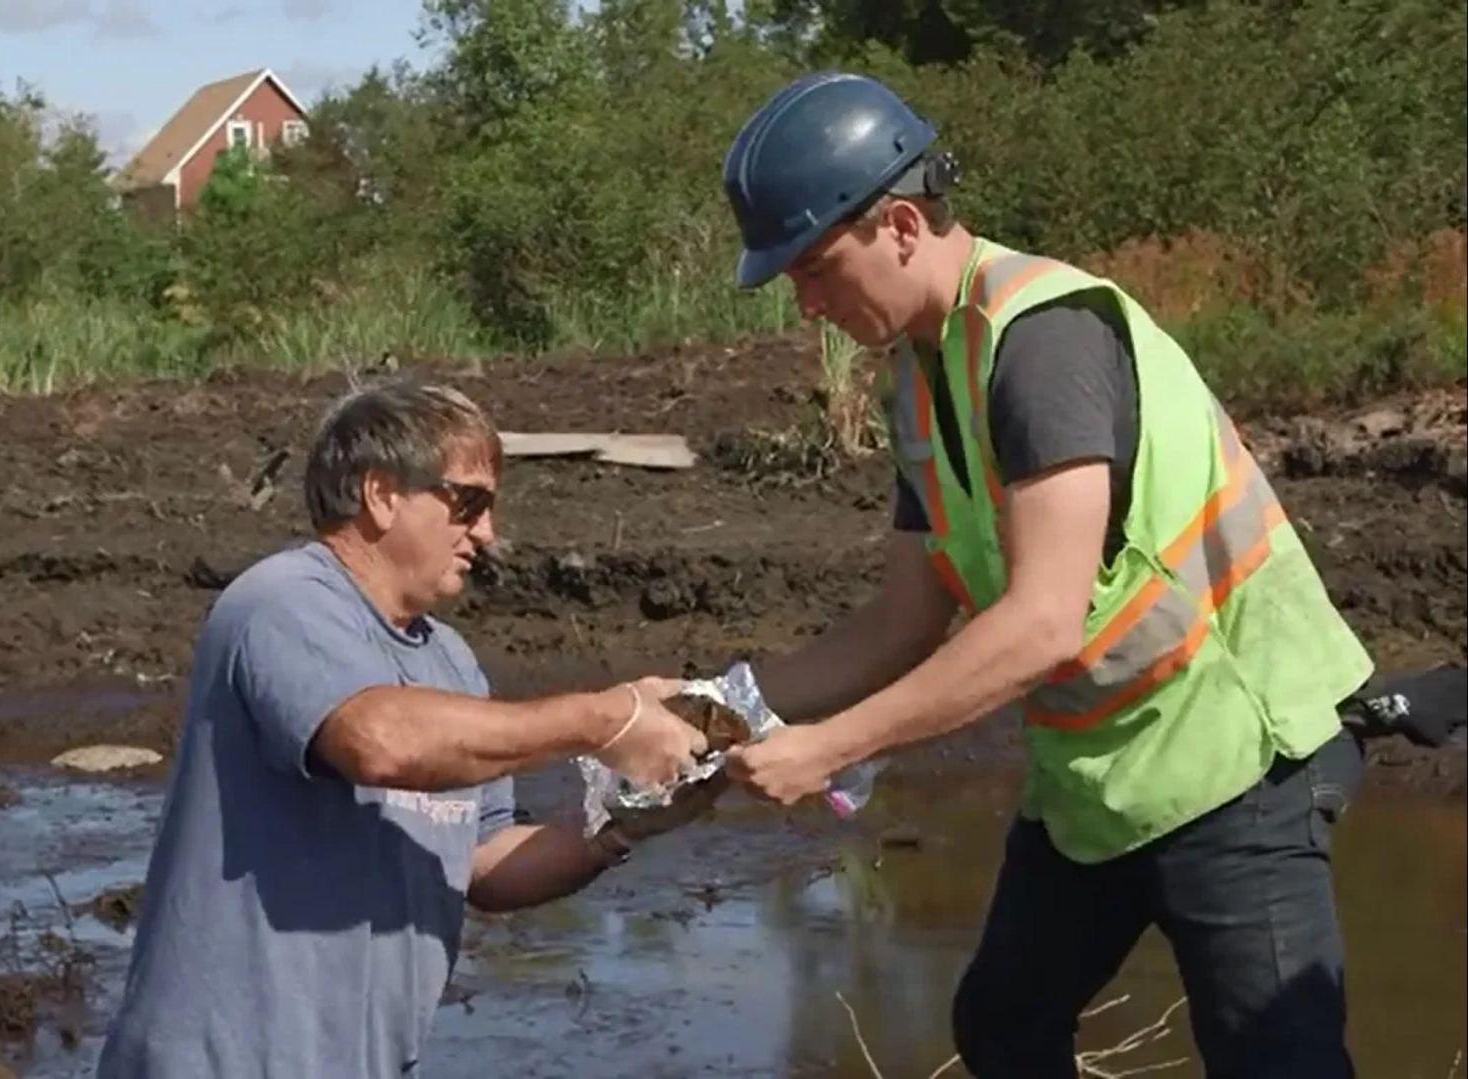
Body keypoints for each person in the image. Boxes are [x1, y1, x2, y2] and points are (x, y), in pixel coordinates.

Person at [704, 71, 1376, 1078]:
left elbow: (1041, 623)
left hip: (1238, 755)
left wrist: (828, 747)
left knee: (1277, 1057)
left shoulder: (1042, 339)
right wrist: (715, 706)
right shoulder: (920, 375)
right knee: (1005, 1024)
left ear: (895, 223)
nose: (804, 303)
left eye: (811, 267)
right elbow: (900, 621)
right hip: (1100, 774)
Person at [94, 378, 724, 1079]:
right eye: (469, 501)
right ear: (381, 493)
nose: (485, 531)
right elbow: (377, 741)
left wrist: (627, 818)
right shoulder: (281, 601)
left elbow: (483, 861)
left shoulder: (451, 660)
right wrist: (604, 717)